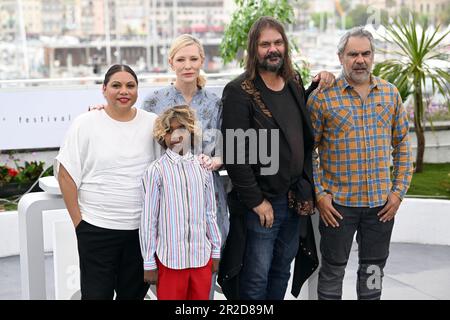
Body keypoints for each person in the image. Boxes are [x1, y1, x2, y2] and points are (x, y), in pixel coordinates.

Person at [219, 16, 336, 300]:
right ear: (253, 49)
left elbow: (293, 122)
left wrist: (322, 80)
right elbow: (235, 156)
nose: (273, 49)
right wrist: (257, 202)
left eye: (278, 42)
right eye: (265, 44)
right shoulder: (239, 91)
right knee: (256, 277)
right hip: (263, 202)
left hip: (296, 197)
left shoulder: (293, 82)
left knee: (281, 270)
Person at [307, 27, 413, 300]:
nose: (360, 60)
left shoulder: (390, 94)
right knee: (332, 270)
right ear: (341, 56)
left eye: (366, 53)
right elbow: (309, 150)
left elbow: (402, 145)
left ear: (373, 56)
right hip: (337, 206)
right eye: (353, 54)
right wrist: (320, 194)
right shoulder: (323, 96)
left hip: (381, 206)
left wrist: (398, 192)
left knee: (374, 269)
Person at [56, 64, 161, 299]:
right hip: (96, 229)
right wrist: (79, 224)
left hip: (139, 233)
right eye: (116, 85)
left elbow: (166, 166)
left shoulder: (152, 123)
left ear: (137, 90)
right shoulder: (86, 123)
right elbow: (66, 174)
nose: (124, 91)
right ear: (104, 90)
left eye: (130, 86)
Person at [143, 34, 229, 299]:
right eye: (181, 59)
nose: (187, 65)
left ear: (202, 60)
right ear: (171, 62)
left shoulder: (215, 103)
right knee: (170, 283)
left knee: (204, 286)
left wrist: (215, 161)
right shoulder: (153, 102)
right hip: (168, 201)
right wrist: (100, 110)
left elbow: (227, 149)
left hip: (208, 199)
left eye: (193, 58)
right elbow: (131, 128)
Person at [140, 105, 222, 300]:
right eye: (169, 130)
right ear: (162, 135)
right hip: (170, 260)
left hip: (201, 257)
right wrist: (148, 262)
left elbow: (210, 212)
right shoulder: (156, 171)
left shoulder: (203, 168)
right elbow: (148, 220)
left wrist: (216, 249)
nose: (176, 135)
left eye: (181, 129)